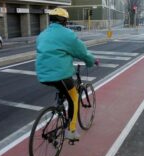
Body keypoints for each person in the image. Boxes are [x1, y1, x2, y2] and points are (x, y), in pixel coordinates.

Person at [35, 8, 98, 141]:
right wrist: (91, 61)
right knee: (74, 98)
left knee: (64, 88)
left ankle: (59, 106)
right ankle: (72, 131)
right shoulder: (68, 34)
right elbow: (82, 52)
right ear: (64, 20)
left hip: (42, 75)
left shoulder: (42, 34)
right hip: (60, 74)